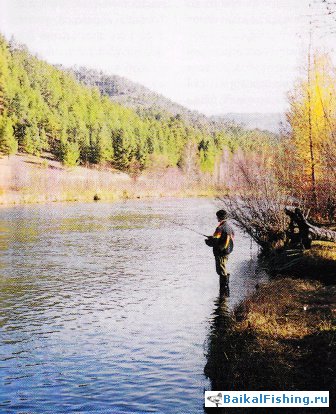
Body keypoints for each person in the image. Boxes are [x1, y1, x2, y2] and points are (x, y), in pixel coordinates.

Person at [205, 209, 234, 290]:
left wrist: (208, 241)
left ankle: (223, 288)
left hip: (220, 251)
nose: (216, 218)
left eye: (217, 216)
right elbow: (228, 238)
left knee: (221, 270)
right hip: (227, 251)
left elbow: (215, 241)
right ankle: (225, 289)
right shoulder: (229, 227)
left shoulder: (220, 228)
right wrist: (213, 238)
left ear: (220, 217)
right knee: (223, 268)